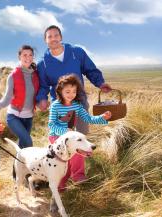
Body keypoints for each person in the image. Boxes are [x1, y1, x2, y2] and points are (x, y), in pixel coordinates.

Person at [36, 25, 112, 182]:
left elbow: (90, 70)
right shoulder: (42, 64)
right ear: (45, 40)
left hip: (79, 101)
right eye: (49, 36)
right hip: (60, 107)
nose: (53, 38)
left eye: (56, 35)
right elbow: (43, 85)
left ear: (61, 37)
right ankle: (62, 174)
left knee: (79, 137)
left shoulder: (77, 52)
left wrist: (101, 84)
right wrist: (42, 99)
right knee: (62, 139)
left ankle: (78, 175)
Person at [48, 74, 111, 191]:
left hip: (72, 137)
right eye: (67, 92)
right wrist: (64, 131)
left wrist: (103, 117)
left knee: (78, 153)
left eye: (74, 91)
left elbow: (88, 118)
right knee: (62, 159)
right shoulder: (55, 106)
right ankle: (60, 182)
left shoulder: (77, 105)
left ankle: (78, 175)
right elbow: (51, 124)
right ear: (60, 91)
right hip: (56, 137)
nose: (71, 94)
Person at [0, 45, 39, 149]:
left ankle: (17, 164)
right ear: (19, 57)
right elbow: (7, 99)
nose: (27, 57)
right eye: (24, 55)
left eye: (30, 55)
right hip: (14, 117)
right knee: (28, 142)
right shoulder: (13, 76)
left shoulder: (35, 75)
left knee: (23, 145)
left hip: (29, 117)